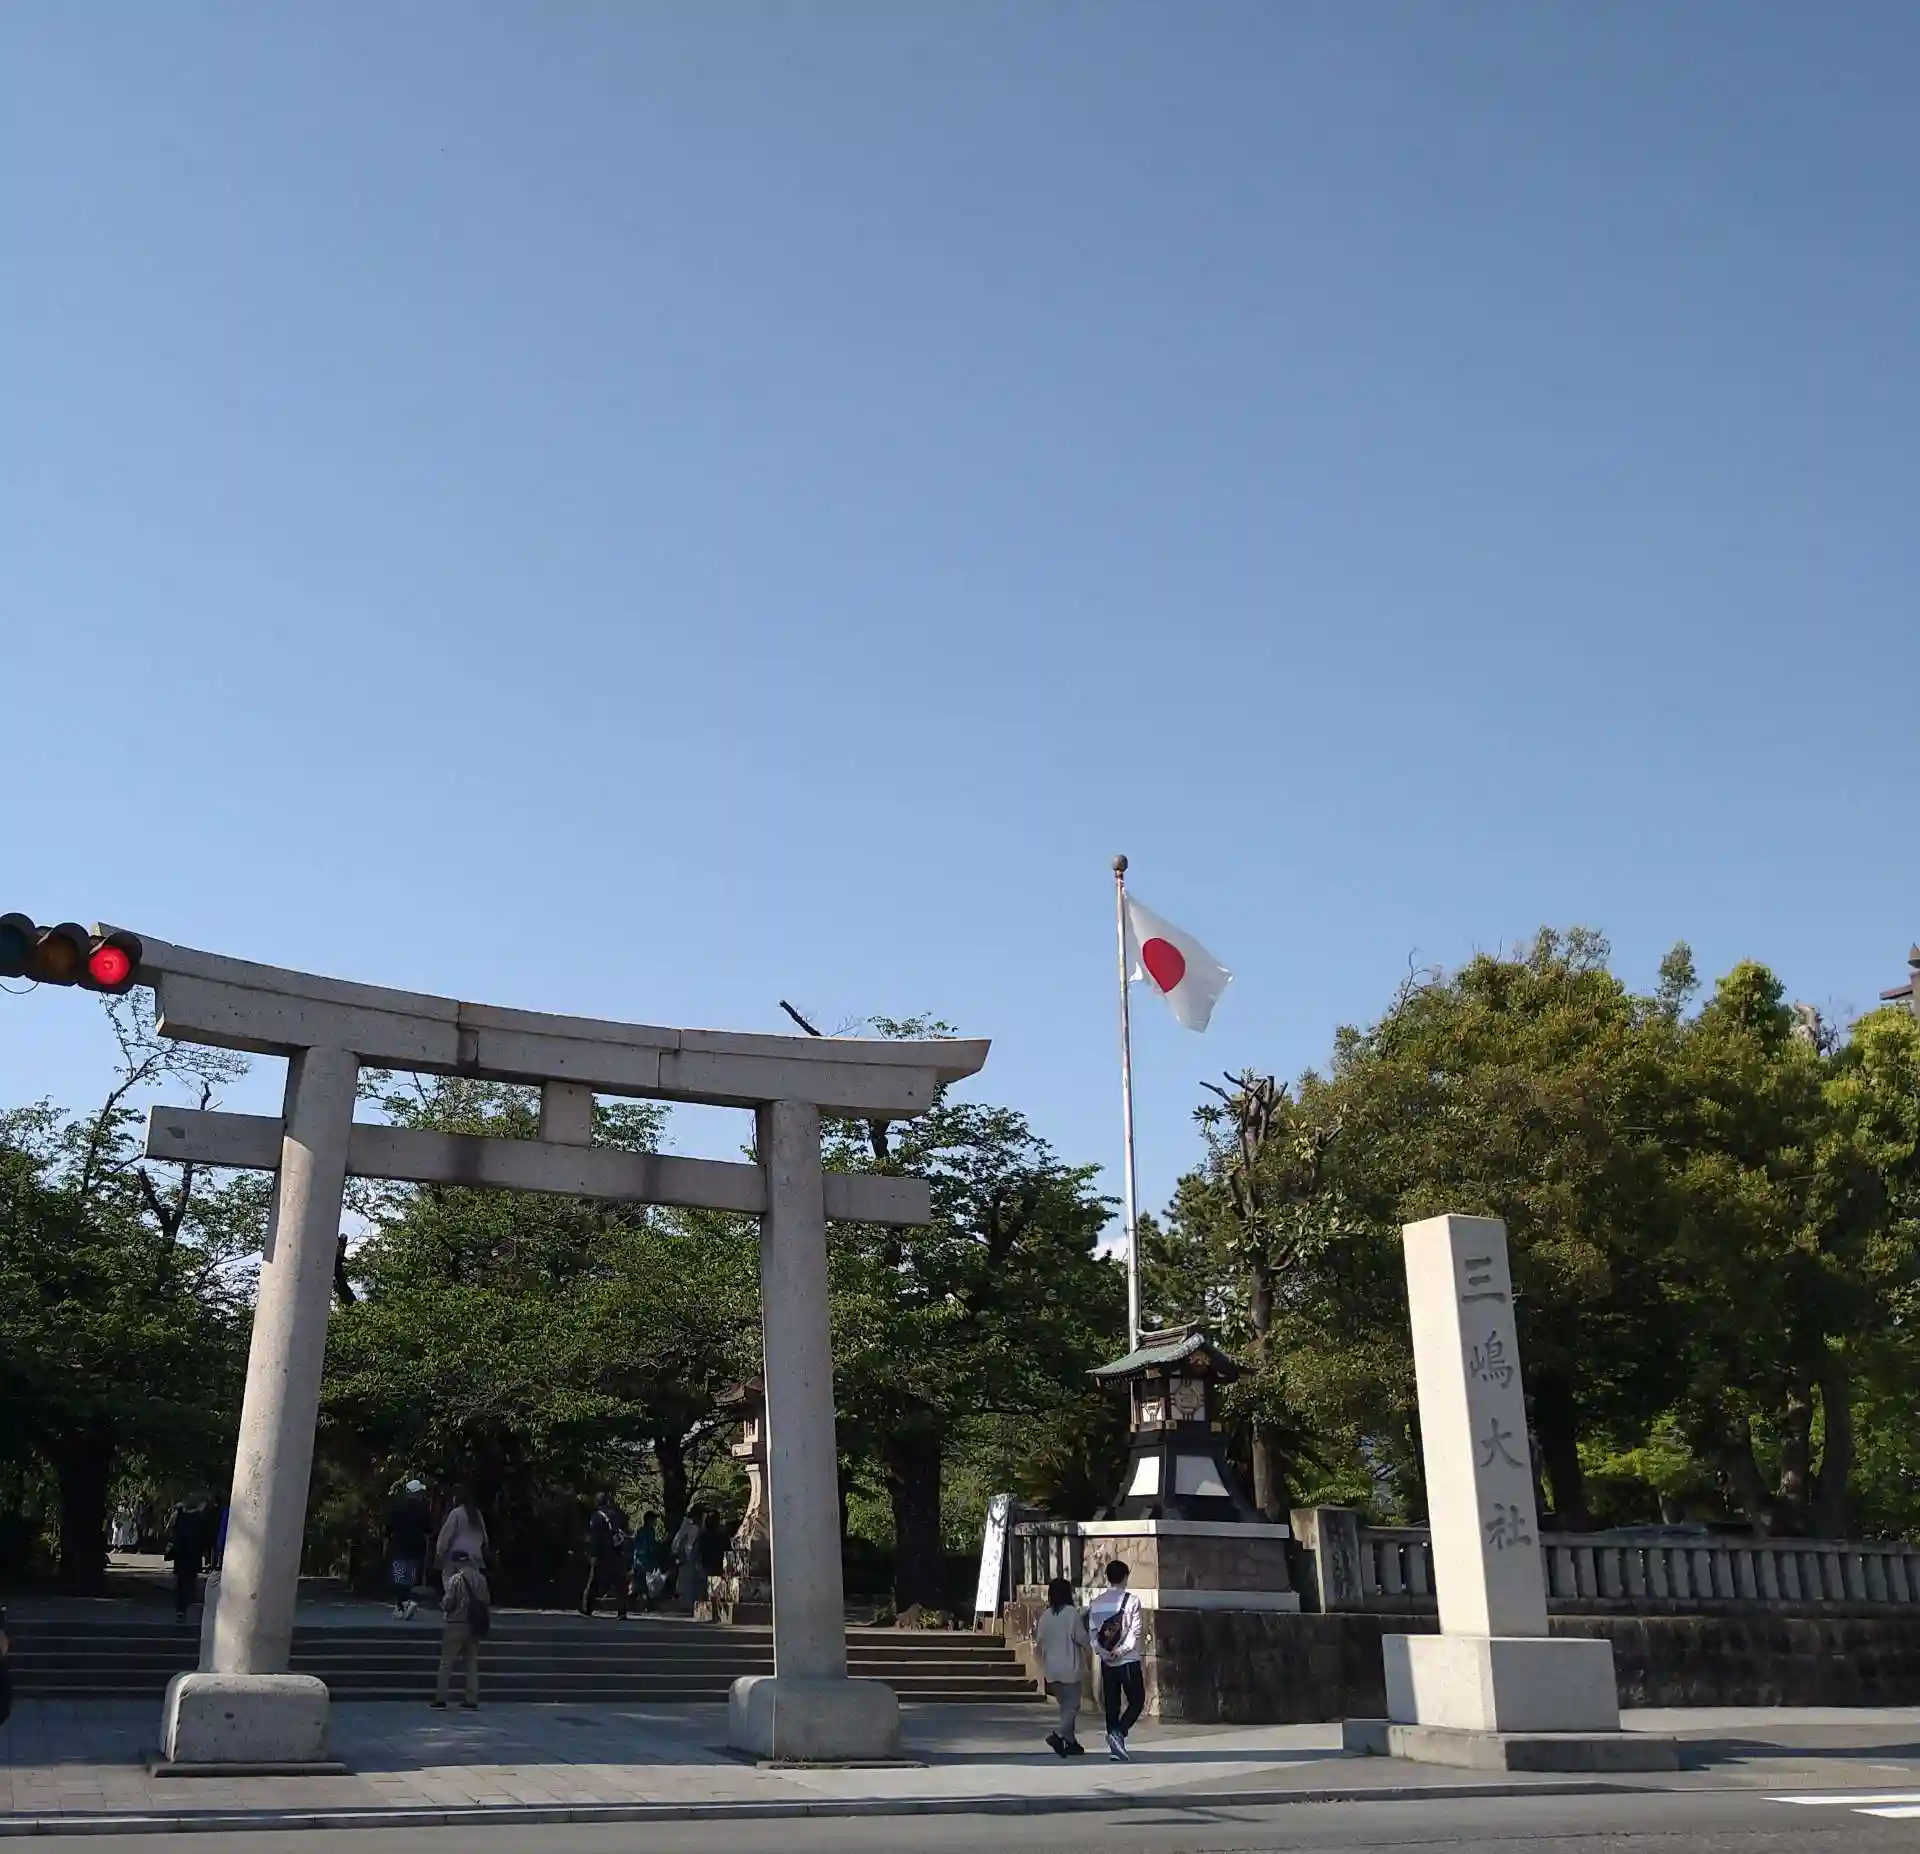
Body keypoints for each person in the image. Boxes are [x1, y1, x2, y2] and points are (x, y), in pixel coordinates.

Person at [1088, 1558, 1144, 1761]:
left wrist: (1104, 1653)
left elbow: (1093, 1634)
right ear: (1125, 1577)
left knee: (1112, 1704)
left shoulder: (1096, 1603)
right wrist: (1120, 1651)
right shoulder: (1132, 1601)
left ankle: (1115, 1744)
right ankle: (1118, 1733)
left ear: (1108, 1578)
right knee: (1137, 1700)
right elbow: (1135, 1632)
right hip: (1128, 1660)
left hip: (1106, 1661)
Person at [1032, 1576, 1091, 1757]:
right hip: (1070, 1667)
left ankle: (1071, 1742)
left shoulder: (1045, 1616)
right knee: (1072, 1706)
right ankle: (1058, 1735)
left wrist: (1040, 1666)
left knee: (1065, 1707)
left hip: (1052, 1669)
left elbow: (1039, 1643)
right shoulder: (1071, 1614)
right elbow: (1081, 1638)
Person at [432, 1549, 488, 1710]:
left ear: (456, 1562)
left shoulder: (456, 1579)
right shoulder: (481, 1579)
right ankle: (471, 1698)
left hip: (456, 1624)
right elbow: (486, 1600)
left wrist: (442, 1606)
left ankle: (441, 1697)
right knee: (471, 1663)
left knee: (446, 1663)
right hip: (475, 1625)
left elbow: (448, 1602)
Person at [580, 1490, 631, 1619]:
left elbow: (595, 1537)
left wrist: (593, 1553)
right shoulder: (614, 1515)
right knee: (619, 1583)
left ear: (596, 1503)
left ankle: (587, 1608)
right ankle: (622, 1610)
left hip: (601, 1554)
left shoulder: (596, 1517)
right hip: (615, 1553)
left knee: (593, 1582)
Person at [387, 1479, 433, 1620]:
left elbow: (389, 1527)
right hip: (415, 1549)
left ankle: (404, 1603)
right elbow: (428, 1530)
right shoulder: (423, 1510)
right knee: (409, 1579)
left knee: (399, 1578)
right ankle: (401, 1606)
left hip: (399, 1546)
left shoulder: (398, 1508)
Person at [435, 1487, 489, 1579]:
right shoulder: (477, 1514)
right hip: (474, 1555)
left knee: (449, 1580)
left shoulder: (456, 1513)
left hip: (457, 1555)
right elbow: (484, 1537)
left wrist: (440, 1552)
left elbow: (446, 1535)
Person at [167, 1499, 205, 1624]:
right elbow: (203, 1537)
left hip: (181, 1555)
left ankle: (180, 1608)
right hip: (193, 1555)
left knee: (181, 1581)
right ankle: (188, 1603)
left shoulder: (179, 1518)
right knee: (190, 1580)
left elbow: (171, 1532)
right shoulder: (198, 1519)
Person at [629, 1511, 666, 1610]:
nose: (655, 1521)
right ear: (649, 1520)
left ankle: (637, 1604)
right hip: (645, 1561)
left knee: (640, 1584)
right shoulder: (649, 1531)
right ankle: (643, 1604)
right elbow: (650, 1547)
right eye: (654, 1519)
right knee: (645, 1585)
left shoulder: (640, 1530)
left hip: (638, 1561)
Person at [670, 1506, 702, 1613]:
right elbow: (679, 1541)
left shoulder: (695, 1526)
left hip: (691, 1555)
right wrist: (679, 1553)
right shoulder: (688, 1525)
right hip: (687, 1555)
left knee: (690, 1580)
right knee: (686, 1580)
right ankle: (686, 1604)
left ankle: (689, 1604)